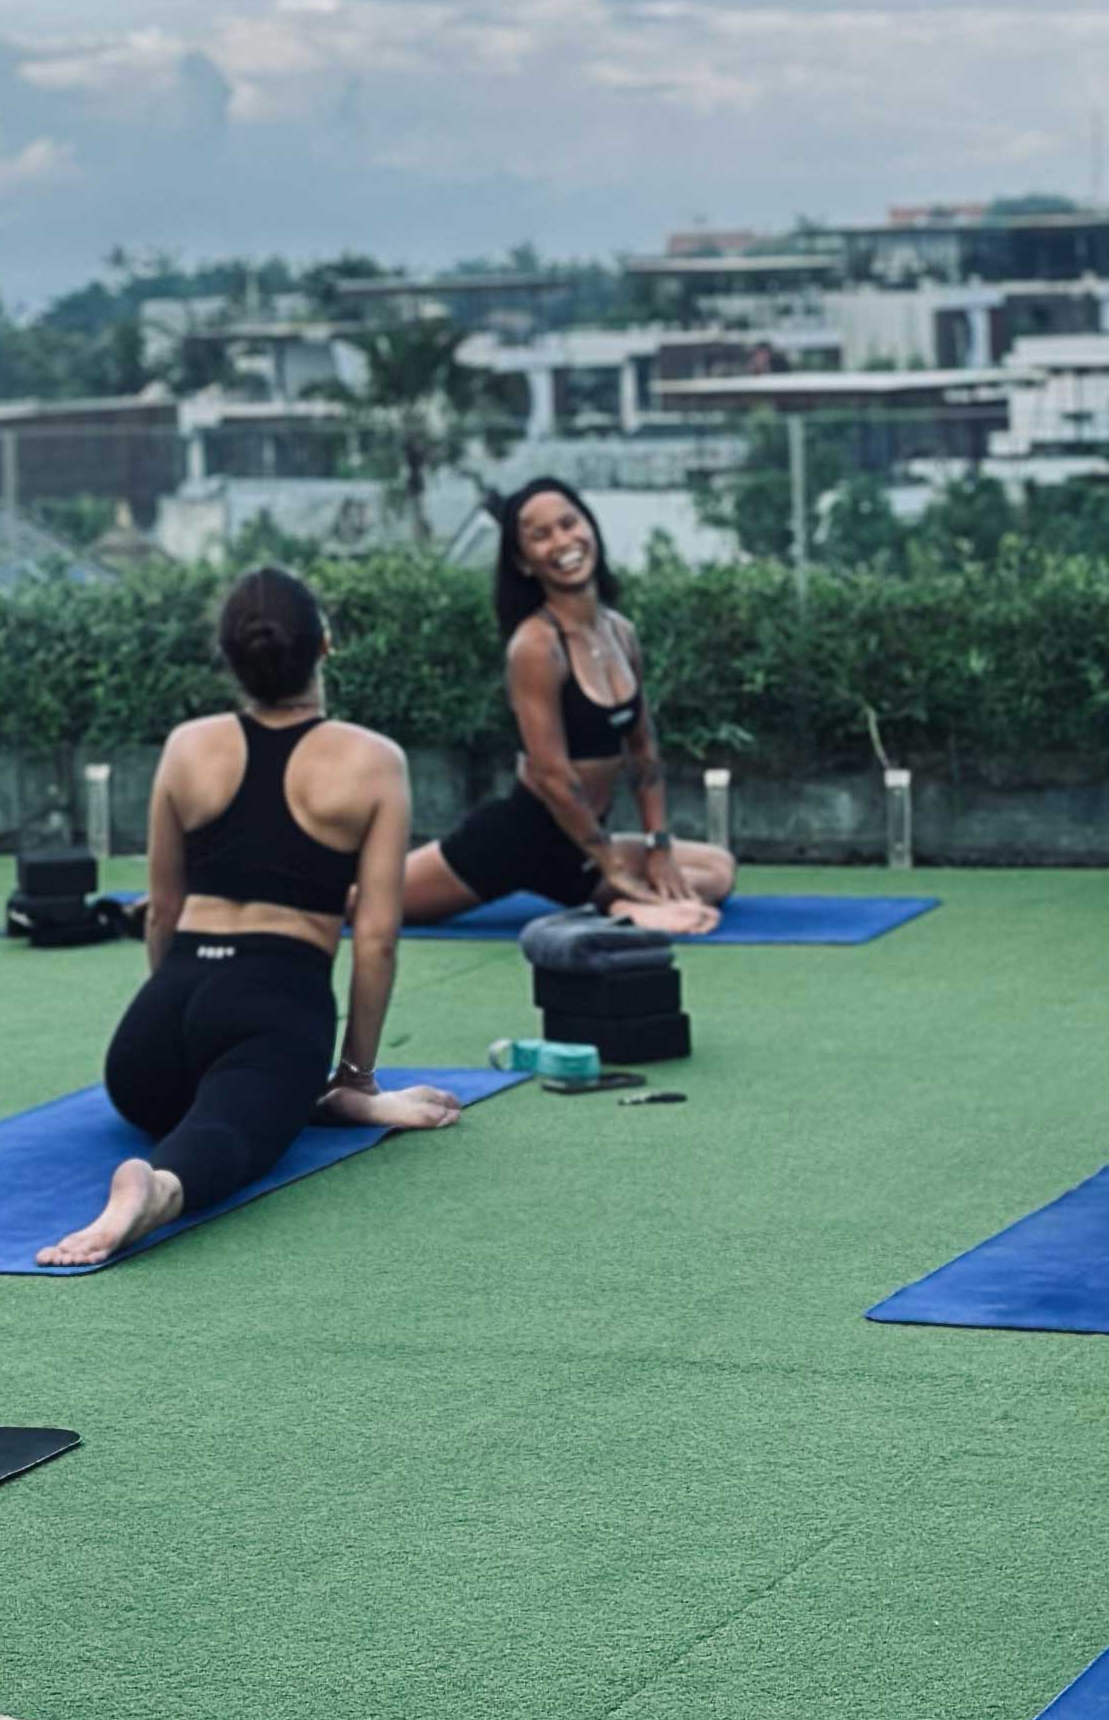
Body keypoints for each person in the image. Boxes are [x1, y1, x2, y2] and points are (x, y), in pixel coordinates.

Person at [36, 566, 462, 1268]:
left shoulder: (187, 746)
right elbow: (378, 938)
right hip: (273, 1005)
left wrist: (177, 1002)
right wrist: (354, 1076)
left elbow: (163, 910)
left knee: (221, 1095)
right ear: (324, 644)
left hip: (147, 1047)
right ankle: (158, 1189)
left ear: (230, 659)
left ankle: (235, 1107)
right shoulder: (373, 761)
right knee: (234, 1132)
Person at [401, 478, 732, 933]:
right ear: (523, 561)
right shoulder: (536, 647)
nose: (562, 542)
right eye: (540, 536)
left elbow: (643, 750)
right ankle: (617, 905)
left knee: (718, 870)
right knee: (367, 902)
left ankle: (618, 902)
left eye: (568, 523)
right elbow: (554, 777)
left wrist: (659, 846)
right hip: (526, 839)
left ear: (589, 528)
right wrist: (612, 867)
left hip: (585, 841)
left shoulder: (620, 633)